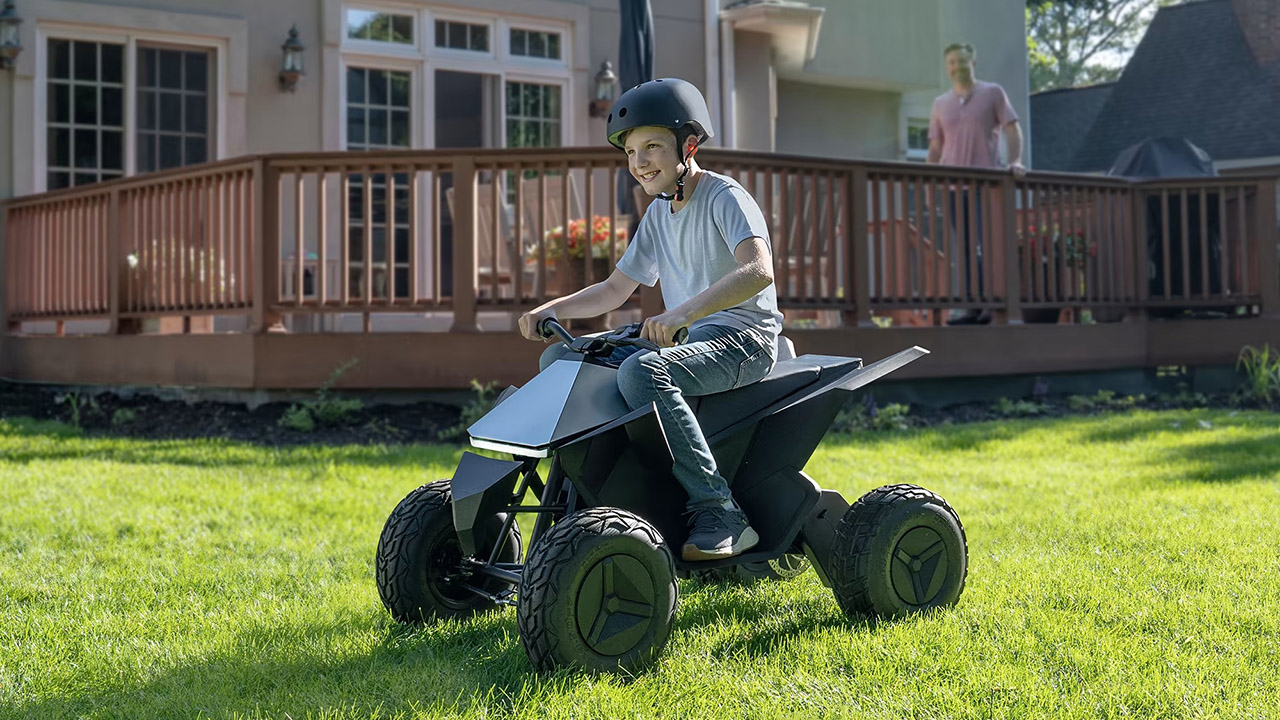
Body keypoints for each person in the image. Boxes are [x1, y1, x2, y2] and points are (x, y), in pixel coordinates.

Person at [517, 78, 782, 561]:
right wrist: (554, 309)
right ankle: (580, 501)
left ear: (689, 146)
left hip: (745, 339)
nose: (640, 162)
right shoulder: (660, 214)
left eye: (653, 147)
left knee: (642, 371)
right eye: (632, 151)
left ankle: (720, 510)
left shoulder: (725, 197)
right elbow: (615, 289)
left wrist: (683, 311)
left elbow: (759, 270)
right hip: (687, 336)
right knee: (563, 356)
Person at [928, 42, 1025, 324]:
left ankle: (990, 307)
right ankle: (972, 307)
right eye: (952, 63)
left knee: (987, 245)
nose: (957, 66)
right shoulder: (940, 104)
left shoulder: (992, 93)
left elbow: (1012, 127)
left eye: (962, 61)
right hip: (952, 187)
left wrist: (1015, 161)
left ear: (974, 62)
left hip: (987, 185)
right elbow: (935, 149)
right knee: (965, 248)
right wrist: (928, 184)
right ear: (947, 68)